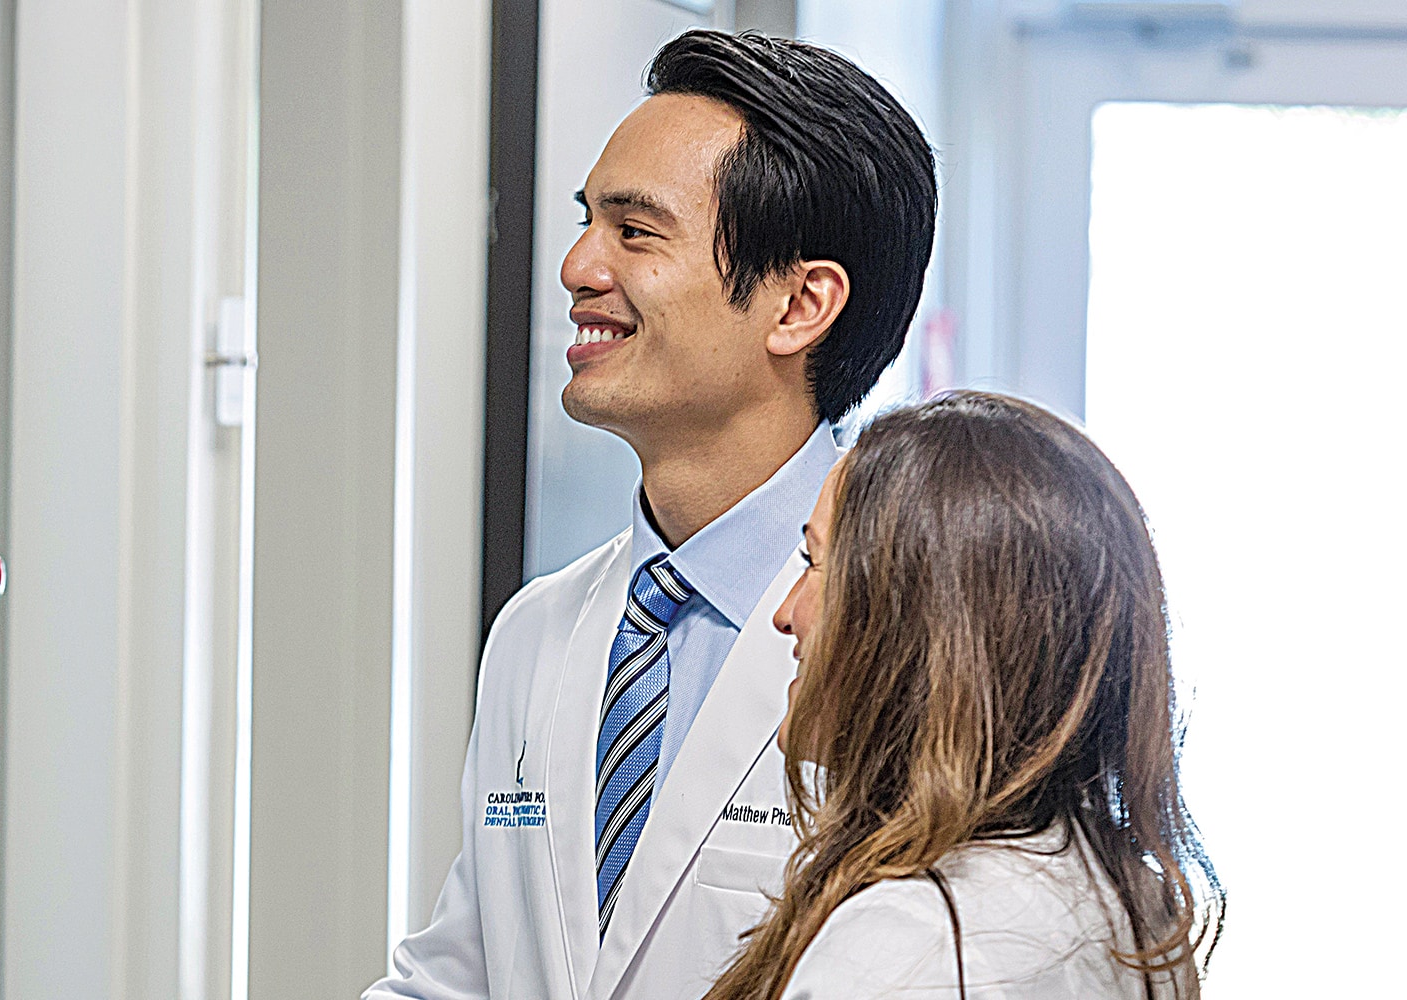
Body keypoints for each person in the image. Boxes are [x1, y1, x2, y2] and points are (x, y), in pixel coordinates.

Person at [367, 29, 936, 1000]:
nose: (579, 267)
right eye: (586, 222)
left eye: (634, 231)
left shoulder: (929, 639)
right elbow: (464, 972)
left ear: (800, 303)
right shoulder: (539, 630)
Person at [725, 391, 1223, 999]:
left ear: (920, 619)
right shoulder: (1122, 896)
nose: (785, 613)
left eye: (814, 562)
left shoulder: (910, 951)